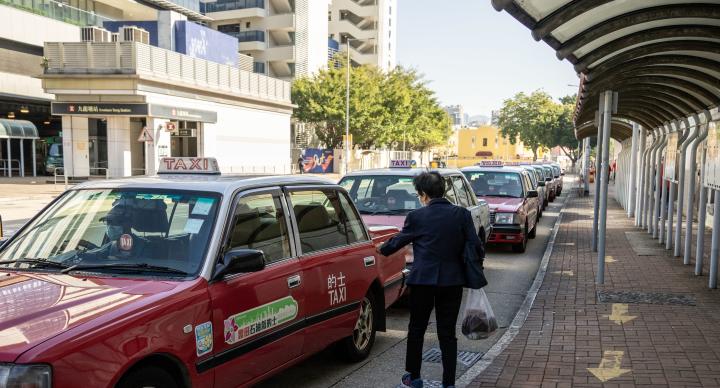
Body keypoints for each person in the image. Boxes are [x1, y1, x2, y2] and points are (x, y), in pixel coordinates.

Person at [377, 172, 484, 388]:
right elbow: (476, 247)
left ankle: (414, 378)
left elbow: (399, 241)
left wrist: (382, 249)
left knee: (417, 329)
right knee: (447, 333)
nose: (419, 199)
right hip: (452, 282)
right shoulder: (461, 214)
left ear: (424, 195)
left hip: (422, 282)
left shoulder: (417, 216)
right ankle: (449, 383)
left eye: (419, 195)